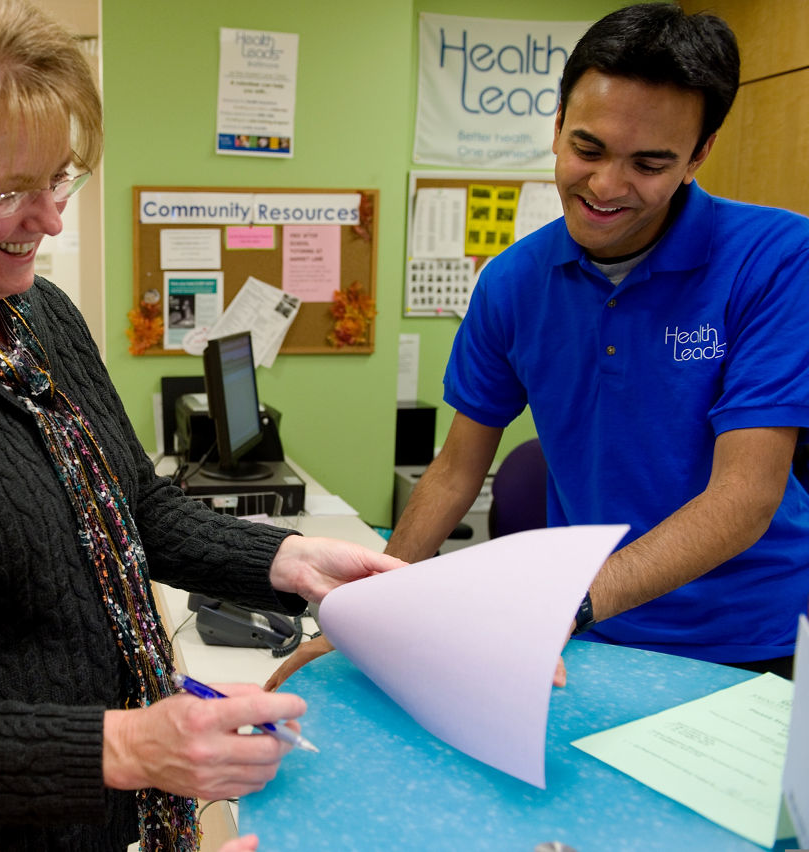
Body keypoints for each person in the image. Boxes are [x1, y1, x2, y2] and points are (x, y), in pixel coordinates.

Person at [0, 0, 400, 849]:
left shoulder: (37, 311)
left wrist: (291, 563)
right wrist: (128, 744)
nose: (51, 220)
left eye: (59, 179)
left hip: (116, 811)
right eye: (6, 192)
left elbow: (136, 506)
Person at [269, 2, 809, 690]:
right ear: (556, 127)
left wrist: (566, 604)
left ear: (698, 156)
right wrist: (356, 619)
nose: (607, 187)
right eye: (588, 149)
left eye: (649, 163)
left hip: (745, 640)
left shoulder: (777, 259)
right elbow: (458, 469)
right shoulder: (514, 282)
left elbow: (746, 495)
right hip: (593, 638)